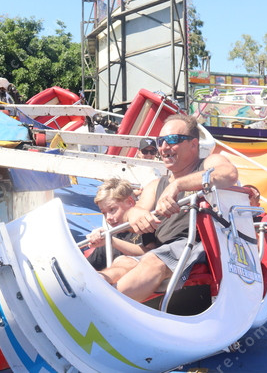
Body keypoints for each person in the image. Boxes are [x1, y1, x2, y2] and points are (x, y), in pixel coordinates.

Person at [98, 114, 239, 302]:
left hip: (195, 245)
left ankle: (103, 305)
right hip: (160, 250)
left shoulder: (208, 163)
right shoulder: (155, 185)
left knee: (153, 261)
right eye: (160, 141)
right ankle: (90, 288)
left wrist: (177, 185)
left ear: (193, 144)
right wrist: (136, 215)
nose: (164, 147)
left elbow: (228, 174)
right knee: (123, 262)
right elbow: (136, 210)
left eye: (172, 140)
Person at [85, 178, 142, 270]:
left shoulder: (147, 227)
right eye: (104, 213)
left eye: (112, 210)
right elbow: (85, 268)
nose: (108, 218)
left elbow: (152, 254)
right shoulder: (109, 240)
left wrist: (111, 241)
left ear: (130, 202)